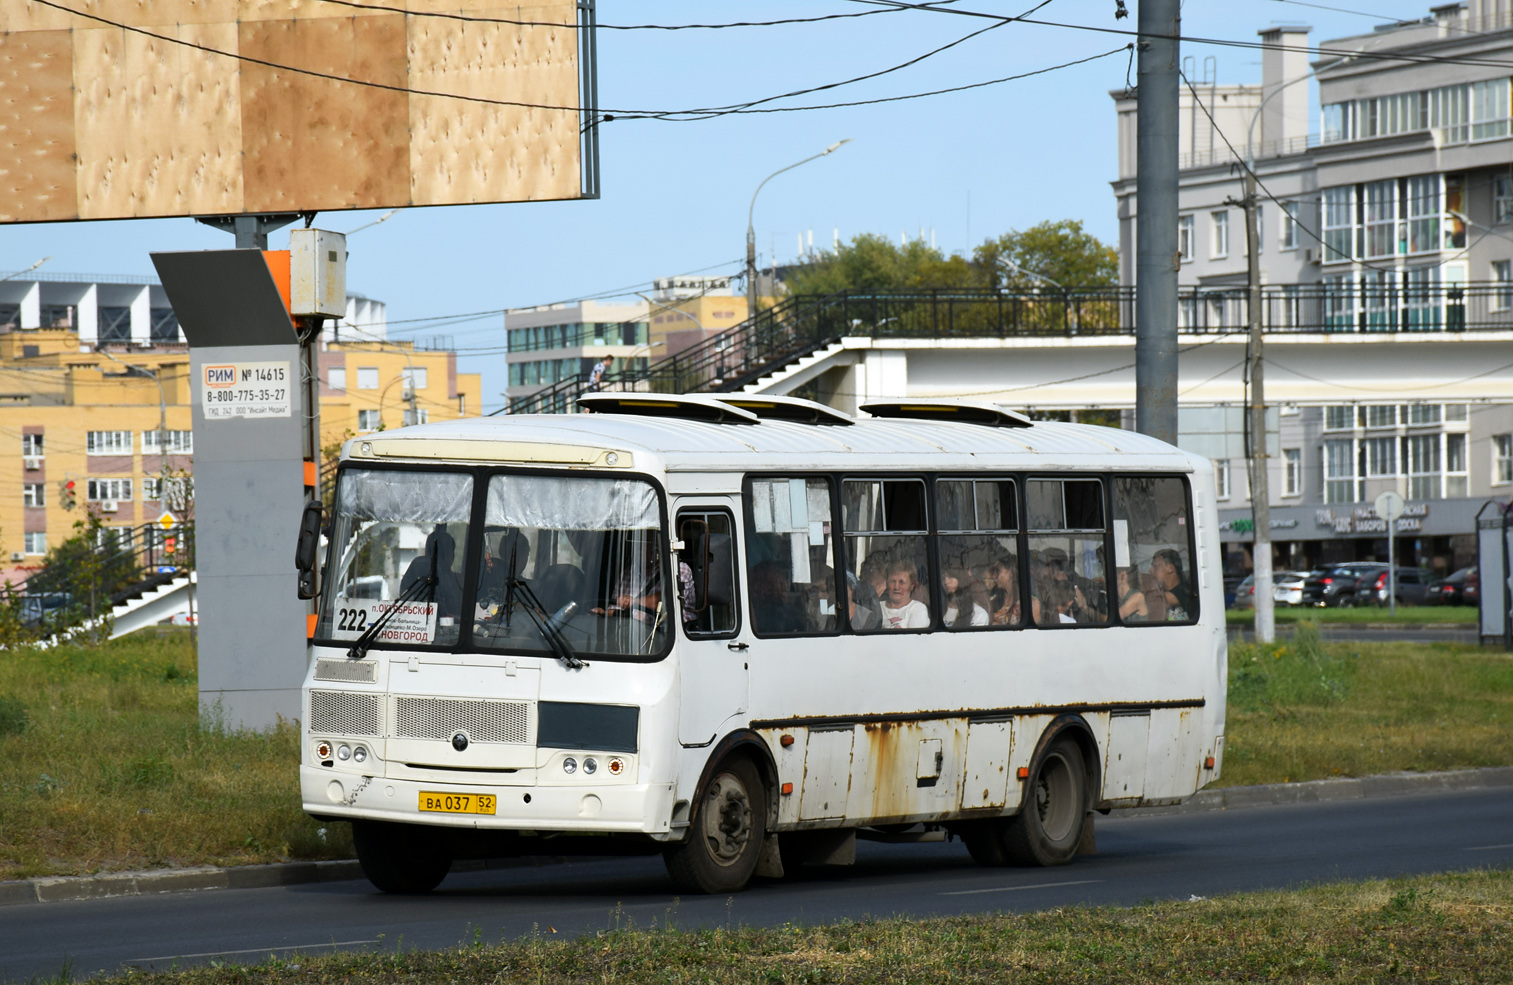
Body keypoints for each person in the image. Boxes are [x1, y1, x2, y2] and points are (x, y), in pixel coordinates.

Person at [400, 526, 464, 625]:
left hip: (411, 625)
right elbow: (456, 606)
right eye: (450, 551)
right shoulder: (449, 579)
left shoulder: (416, 565)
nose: (452, 556)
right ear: (448, 554)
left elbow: (403, 597)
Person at [879, 561, 929, 630]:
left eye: (902, 582)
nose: (896, 587)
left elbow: (915, 638)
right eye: (893, 581)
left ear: (911, 586)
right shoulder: (877, 607)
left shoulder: (918, 609)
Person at [1151, 548, 1193, 621]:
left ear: (1170, 568)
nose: (1151, 570)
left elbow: (1156, 600)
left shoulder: (1182, 592)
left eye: (1156, 566)